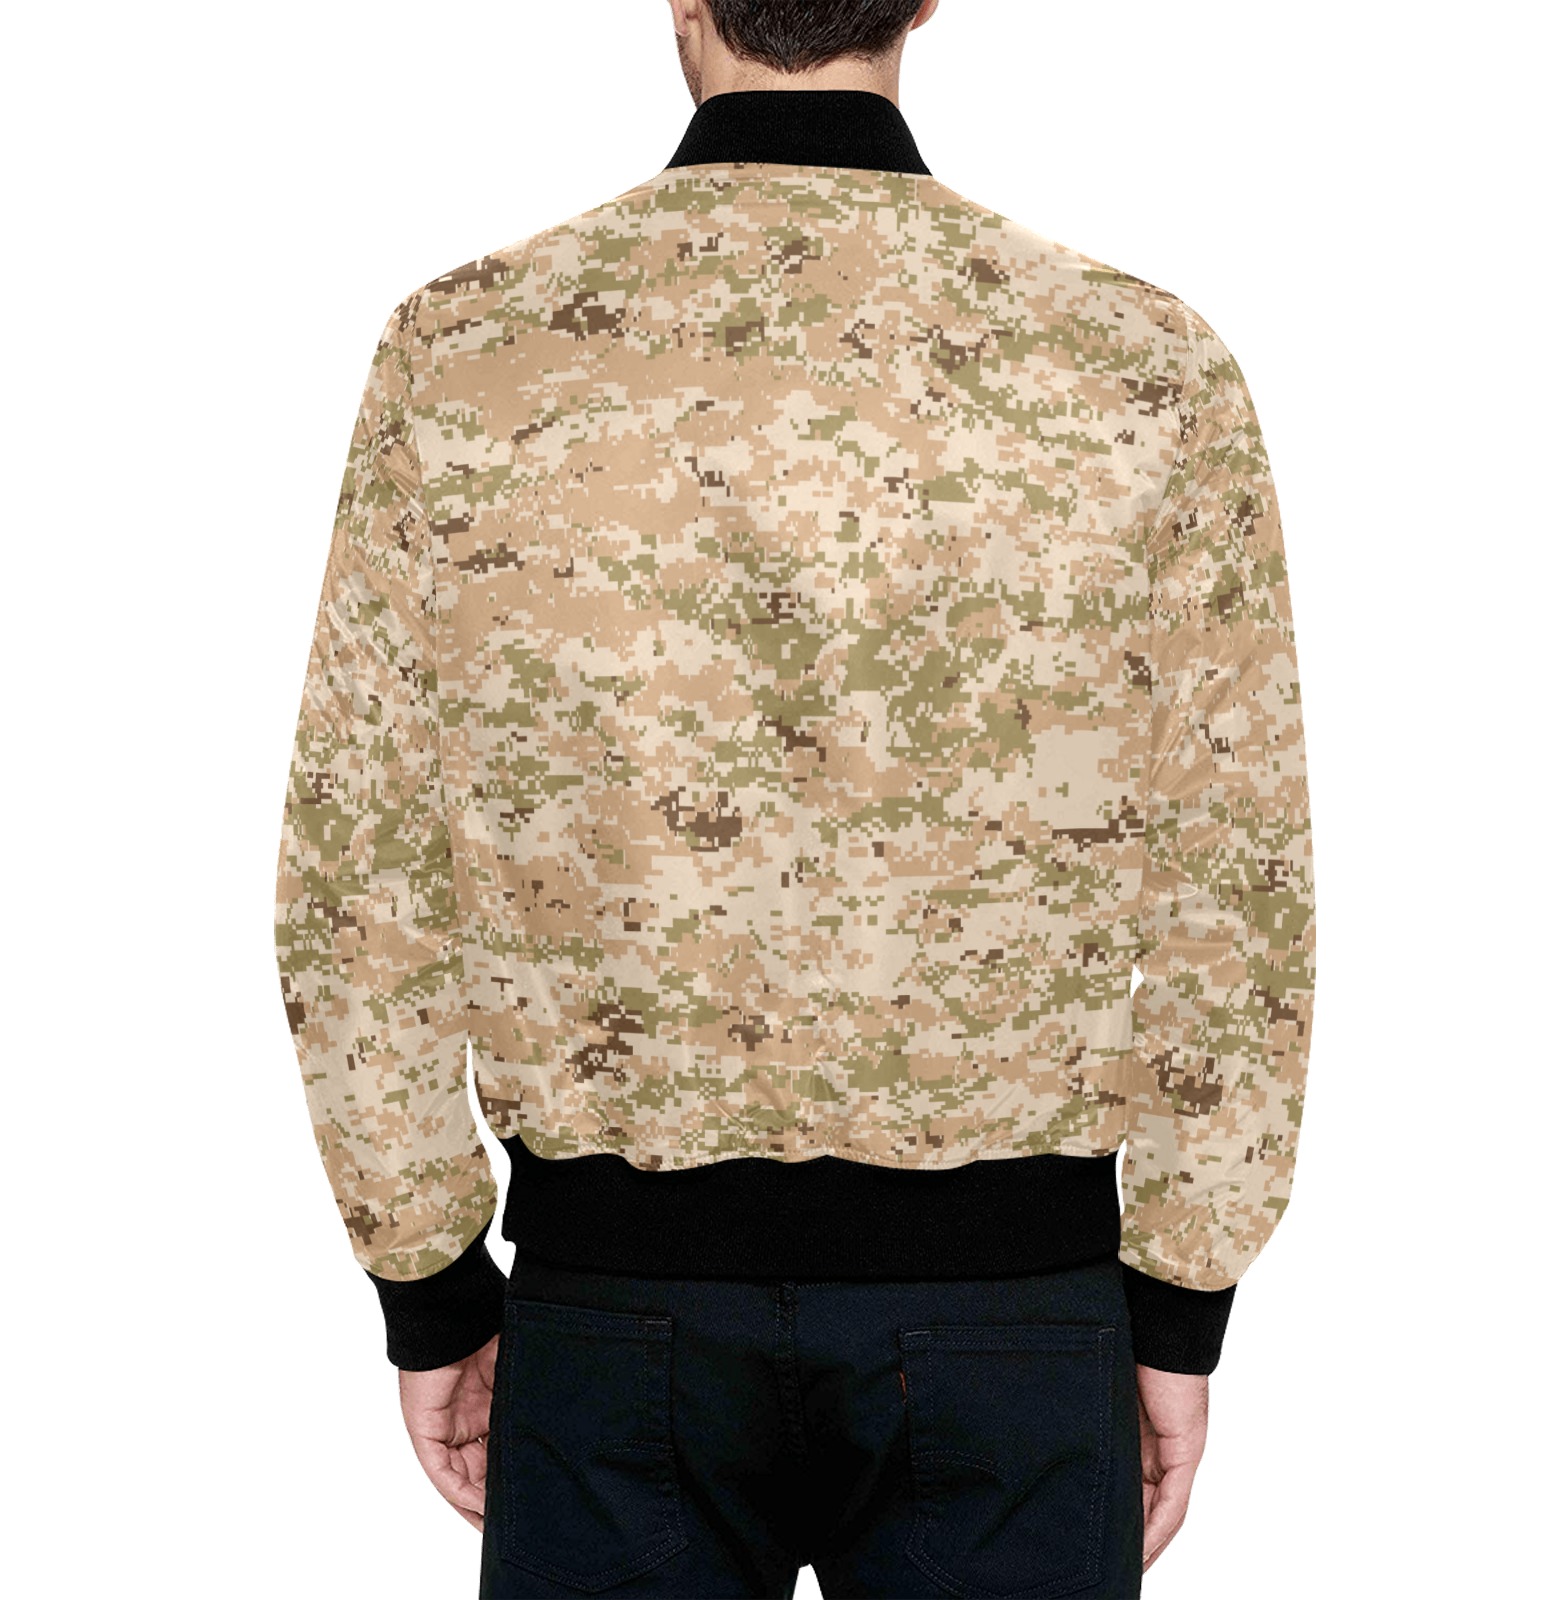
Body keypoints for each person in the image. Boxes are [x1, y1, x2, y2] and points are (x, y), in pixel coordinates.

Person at [273, 2, 1316, 1594]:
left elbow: (364, 871)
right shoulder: (1143, 364)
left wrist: (431, 1285)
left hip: (613, 1310)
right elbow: (1236, 880)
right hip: (1013, 1313)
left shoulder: (469, 352)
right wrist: (1180, 1301)